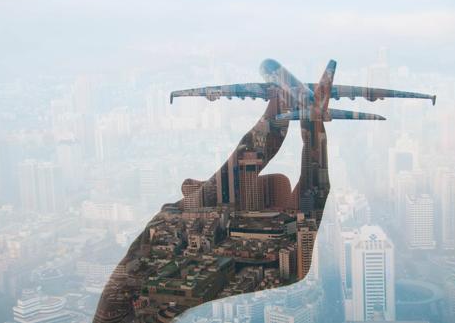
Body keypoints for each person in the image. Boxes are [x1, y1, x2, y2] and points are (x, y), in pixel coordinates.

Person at [94, 94, 329, 323]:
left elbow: (260, 152)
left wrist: (305, 124)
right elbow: (260, 152)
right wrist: (310, 127)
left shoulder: (175, 230)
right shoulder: (281, 264)